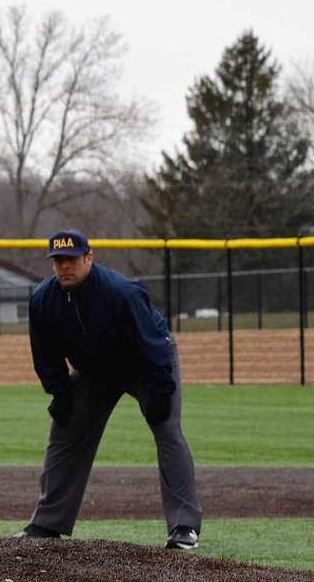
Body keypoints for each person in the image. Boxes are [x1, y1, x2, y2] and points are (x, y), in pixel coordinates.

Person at [15, 229, 202, 549]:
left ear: (89, 258)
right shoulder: (44, 299)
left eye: (71, 259)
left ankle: (184, 526)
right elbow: (45, 354)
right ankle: (47, 522)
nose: (64, 267)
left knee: (167, 429)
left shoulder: (121, 292)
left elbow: (153, 344)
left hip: (145, 363)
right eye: (58, 261)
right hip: (94, 371)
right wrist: (59, 392)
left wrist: (159, 390)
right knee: (65, 431)